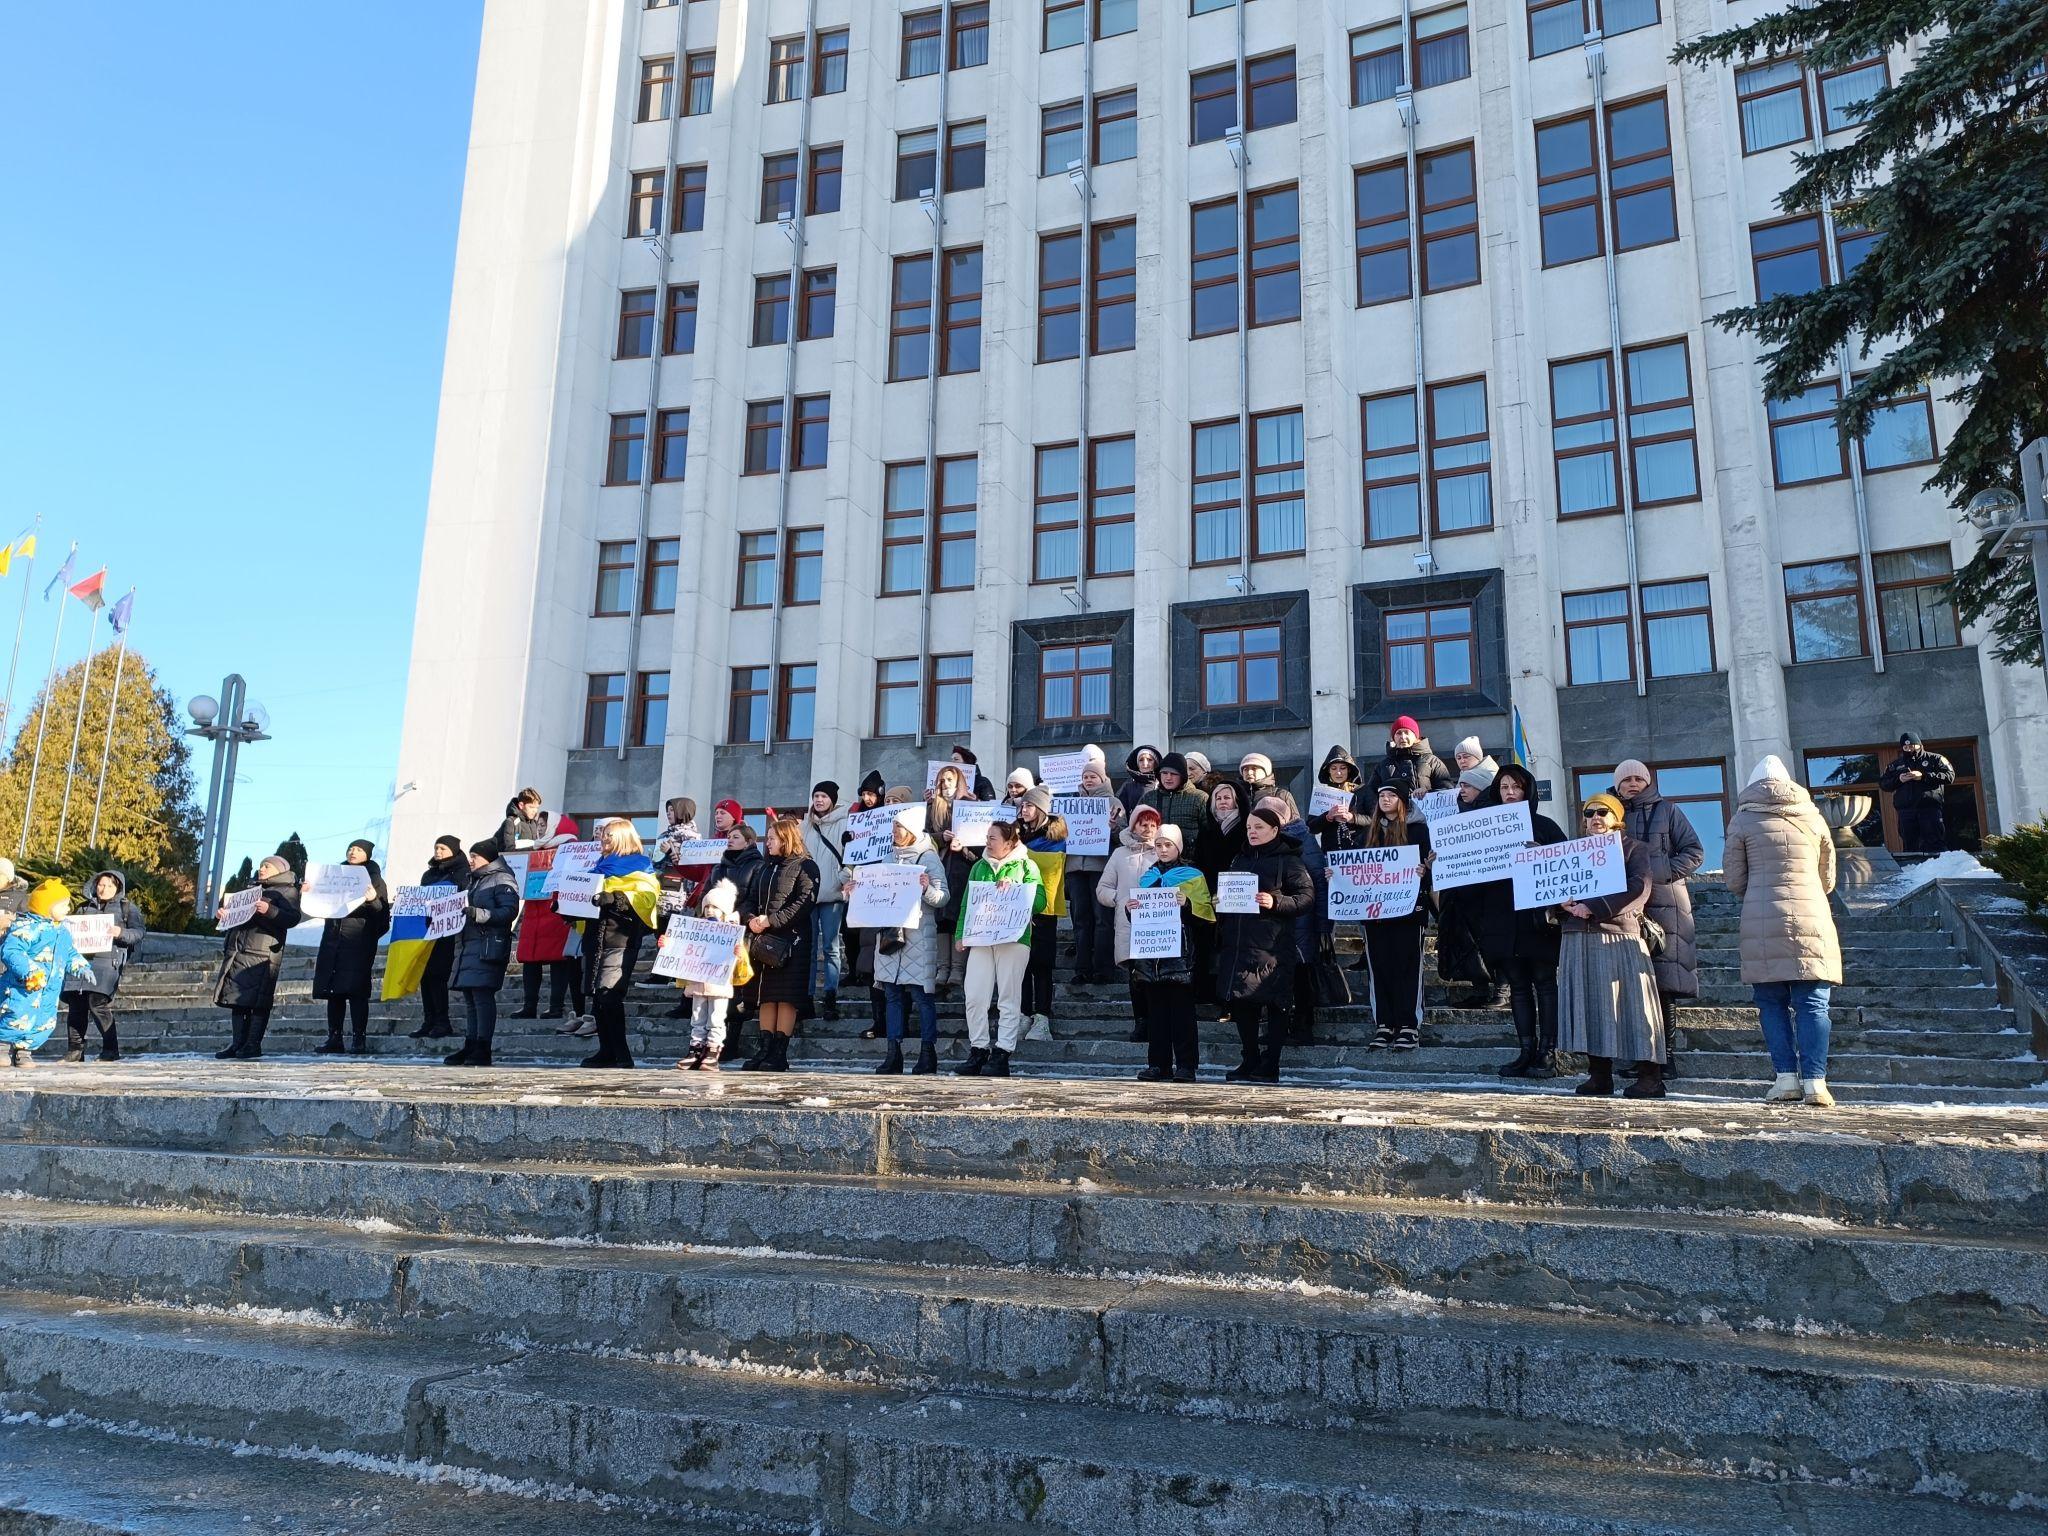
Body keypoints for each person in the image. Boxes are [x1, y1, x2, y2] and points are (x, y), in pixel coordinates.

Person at [1724, 756, 1842, 1107]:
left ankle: (1786, 1079)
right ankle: (1816, 1083)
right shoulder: (1814, 817)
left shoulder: (1743, 819)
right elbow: (1829, 879)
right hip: (1812, 915)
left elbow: (1734, 879)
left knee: (1771, 1002)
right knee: (1813, 1004)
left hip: (1762, 916)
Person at [1556, 793, 1666, 1097]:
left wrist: (1594, 906)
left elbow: (1639, 887)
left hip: (1618, 935)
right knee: (1588, 1004)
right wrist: (1560, 905)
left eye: (1603, 812)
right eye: (1589, 812)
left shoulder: (1633, 849)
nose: (1595, 818)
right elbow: (1553, 887)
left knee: (1632, 1004)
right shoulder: (1572, 852)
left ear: (1616, 817)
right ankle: (1599, 1074)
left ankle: (1650, 1076)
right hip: (1577, 936)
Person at [1471, 765, 1566, 1076]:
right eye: (1504, 787)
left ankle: (1548, 1052)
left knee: (1545, 985)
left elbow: (1568, 873)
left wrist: (1546, 856)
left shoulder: (1545, 826)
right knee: (1519, 988)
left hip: (1537, 922)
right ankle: (1525, 1050)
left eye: (1516, 787)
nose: (1510, 793)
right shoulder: (1484, 831)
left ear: (1528, 791)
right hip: (1501, 922)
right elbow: (1470, 875)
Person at [1614, 758, 1703, 1079]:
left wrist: (1658, 873)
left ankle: (1667, 1057)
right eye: (1627, 780)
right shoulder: (1609, 811)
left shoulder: (1668, 810)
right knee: (1631, 985)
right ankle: (1639, 1056)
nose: (1633, 783)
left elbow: (1694, 851)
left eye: (1639, 778)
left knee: (1664, 986)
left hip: (1665, 906)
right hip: (1624, 908)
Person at [1214, 806, 1315, 1082]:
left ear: (1274, 829)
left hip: (1273, 946)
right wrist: (1219, 902)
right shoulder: (1239, 859)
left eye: (1258, 827)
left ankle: (1271, 1064)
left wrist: (1276, 902)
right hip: (1239, 944)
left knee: (1274, 1004)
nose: (1252, 832)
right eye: (1249, 827)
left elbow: (1306, 898)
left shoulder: (1289, 861)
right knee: (1242, 1003)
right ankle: (1250, 1060)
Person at [953, 817, 1044, 1076]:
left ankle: (1002, 1052)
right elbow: (967, 903)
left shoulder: (1027, 865)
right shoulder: (979, 867)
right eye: (987, 838)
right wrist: (961, 933)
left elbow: (1039, 901)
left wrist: (1017, 888)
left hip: (1013, 939)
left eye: (993, 838)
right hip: (982, 936)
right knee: (975, 995)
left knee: (1008, 996)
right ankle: (979, 1049)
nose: (987, 842)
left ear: (1009, 842)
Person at [860, 816, 949, 1074]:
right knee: (892, 994)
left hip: (918, 937)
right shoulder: (888, 858)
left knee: (922, 996)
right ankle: (893, 1053)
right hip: (890, 935)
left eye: (899, 827)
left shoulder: (928, 857)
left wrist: (926, 890)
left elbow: (943, 897)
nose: (895, 832)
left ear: (911, 829)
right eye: (893, 827)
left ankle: (927, 1054)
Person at [1129, 824, 1213, 1082]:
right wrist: (1130, 909)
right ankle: (1158, 1064)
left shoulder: (1193, 875)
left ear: (1179, 847)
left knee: (1182, 1015)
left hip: (1180, 955)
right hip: (1150, 957)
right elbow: (1140, 918)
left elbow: (1207, 914)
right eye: (1159, 845)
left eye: (1168, 845)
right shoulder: (1148, 875)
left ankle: (1186, 1065)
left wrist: (1187, 904)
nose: (1163, 849)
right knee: (1156, 1015)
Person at [576, 819, 660, 1068]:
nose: (603, 839)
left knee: (609, 995)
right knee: (597, 998)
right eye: (603, 835)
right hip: (595, 937)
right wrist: (566, 908)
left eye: (609, 835)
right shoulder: (598, 867)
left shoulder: (640, 866)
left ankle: (622, 1055)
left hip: (621, 938)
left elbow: (646, 898)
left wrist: (615, 898)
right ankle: (606, 1051)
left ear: (623, 837)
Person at [1356, 786, 1434, 1051]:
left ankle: (1409, 1024)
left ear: (1403, 801)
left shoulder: (1419, 831)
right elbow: (1355, 869)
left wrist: (1425, 870)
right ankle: (1385, 1024)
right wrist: (1337, 875)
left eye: (1391, 796)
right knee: (1380, 968)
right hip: (1375, 914)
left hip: (1409, 911)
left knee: (1408, 967)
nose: (1385, 800)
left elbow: (1434, 871)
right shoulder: (1369, 833)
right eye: (1381, 796)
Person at [740, 816, 819, 1072]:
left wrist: (772, 921)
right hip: (763, 941)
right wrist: (751, 919)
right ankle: (764, 1049)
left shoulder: (806, 866)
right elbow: (750, 899)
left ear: (786, 839)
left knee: (785, 997)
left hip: (791, 940)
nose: (768, 843)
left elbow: (803, 904)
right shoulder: (765, 867)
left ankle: (779, 1052)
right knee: (766, 997)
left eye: (772, 838)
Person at [213, 856, 303, 1061]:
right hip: (238, 950)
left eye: (267, 866)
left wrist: (270, 910)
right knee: (236, 999)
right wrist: (223, 915)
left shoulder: (287, 890)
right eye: (261, 865)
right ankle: (237, 1043)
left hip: (263, 952)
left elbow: (292, 918)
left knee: (258, 1001)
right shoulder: (250, 889)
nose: (261, 869)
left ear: (279, 870)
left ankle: (253, 1044)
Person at [1258, 789, 1327, 1047]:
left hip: (1301, 920)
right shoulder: (1258, 842)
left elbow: (1318, 882)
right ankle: (1279, 1025)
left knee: (1300, 975)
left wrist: (1323, 926)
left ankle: (1302, 1025)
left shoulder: (1303, 840)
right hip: (1269, 923)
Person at [1, 881, 94, 1069]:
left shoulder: (63, 931)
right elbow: (11, 951)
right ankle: (3, 1047)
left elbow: (69, 953)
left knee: (44, 1021)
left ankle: (24, 1051)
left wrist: (82, 967)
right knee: (16, 1014)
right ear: (47, 907)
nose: (68, 908)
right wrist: (29, 970)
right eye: (63, 905)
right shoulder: (27, 927)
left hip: (50, 988)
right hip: (24, 986)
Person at [312, 839, 391, 1056]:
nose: (352, 852)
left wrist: (373, 900)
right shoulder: (333, 877)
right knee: (333, 991)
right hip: (333, 941)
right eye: (350, 848)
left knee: (356, 992)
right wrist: (310, 892)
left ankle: (359, 1038)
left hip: (358, 943)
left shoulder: (375, 880)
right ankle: (334, 1037)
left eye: (358, 849)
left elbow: (383, 916)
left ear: (367, 854)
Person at [444, 839, 519, 1066]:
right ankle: (471, 1044)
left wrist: (479, 914)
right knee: (470, 998)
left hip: (488, 946)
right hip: (470, 945)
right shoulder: (474, 881)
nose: (471, 859)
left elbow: (509, 911)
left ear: (488, 857)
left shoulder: (502, 879)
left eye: (475, 855)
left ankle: (483, 1048)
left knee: (482, 997)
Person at [59, 870, 145, 1063]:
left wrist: (120, 932)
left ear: (118, 888)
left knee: (97, 1003)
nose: (104, 889)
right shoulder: (82, 908)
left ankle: (110, 1049)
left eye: (109, 886)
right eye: (101, 884)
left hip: (107, 963)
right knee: (76, 1006)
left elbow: (139, 932)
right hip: (80, 963)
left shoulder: (127, 908)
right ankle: (75, 1050)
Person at [1436, 765, 1503, 1010]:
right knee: (1470, 941)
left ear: (1482, 787)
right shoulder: (1458, 812)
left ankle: (1501, 989)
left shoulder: (1495, 812)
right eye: (1460, 785)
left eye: (1466, 785)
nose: (1460, 790)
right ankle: (1480, 988)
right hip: (1464, 891)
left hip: (1491, 892)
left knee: (1492, 940)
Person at [511, 815, 588, 1030]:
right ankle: (529, 1005)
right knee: (529, 958)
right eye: (539, 825)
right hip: (534, 909)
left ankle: (556, 1006)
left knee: (558, 959)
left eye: (545, 825)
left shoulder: (571, 848)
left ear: (556, 826)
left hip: (555, 909)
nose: (540, 828)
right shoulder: (536, 849)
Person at [1098, 804, 1164, 1042]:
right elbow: (1102, 889)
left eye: (1153, 825)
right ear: (1134, 825)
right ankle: (1141, 1022)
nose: (1148, 829)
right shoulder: (1119, 854)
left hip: (1157, 925)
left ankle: (1157, 1021)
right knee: (1136, 977)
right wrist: (1120, 900)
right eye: (1143, 824)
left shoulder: (1163, 851)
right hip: (1128, 925)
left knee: (1156, 976)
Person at [1064, 753, 1124, 985]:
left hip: (1101, 867)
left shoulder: (1113, 803)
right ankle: (1082, 968)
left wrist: (1112, 827)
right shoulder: (1071, 804)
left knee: (1102, 919)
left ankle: (1102, 967)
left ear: (1103, 779)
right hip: (1075, 868)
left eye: (1093, 776)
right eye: (1085, 776)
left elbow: (1123, 835)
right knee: (1080, 919)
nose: (1088, 780)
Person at [712, 818, 769, 1054]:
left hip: (740, 930)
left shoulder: (757, 865)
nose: (730, 840)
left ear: (749, 842)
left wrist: (739, 914)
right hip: (715, 929)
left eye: (736, 837)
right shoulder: (719, 866)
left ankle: (731, 1042)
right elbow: (708, 892)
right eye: (729, 837)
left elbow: (755, 896)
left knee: (736, 988)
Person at [1016, 786, 1067, 1042]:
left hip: (1043, 908)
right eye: (1022, 805)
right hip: (1015, 907)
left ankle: (1042, 1017)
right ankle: (1024, 1013)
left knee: (1041, 964)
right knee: (1021, 963)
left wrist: (1015, 852)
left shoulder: (1054, 836)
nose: (1024, 810)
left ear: (1041, 809)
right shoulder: (1018, 834)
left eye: (1029, 806)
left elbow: (1048, 865)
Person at [676, 876, 742, 1071]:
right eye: (707, 907)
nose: (710, 911)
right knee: (697, 1016)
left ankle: (713, 1050)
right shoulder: (697, 929)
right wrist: (668, 944)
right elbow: (683, 949)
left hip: (719, 984)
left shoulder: (730, 931)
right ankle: (696, 1048)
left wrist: (738, 954)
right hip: (698, 981)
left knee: (716, 1018)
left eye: (715, 908)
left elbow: (739, 960)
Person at [409, 834, 470, 1041]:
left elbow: (463, 897)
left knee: (437, 976)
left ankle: (442, 1021)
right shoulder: (429, 874)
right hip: (427, 930)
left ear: (453, 850)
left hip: (448, 932)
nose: (438, 852)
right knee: (425, 976)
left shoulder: (463, 872)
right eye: (436, 848)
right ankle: (429, 1020)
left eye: (443, 848)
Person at [927, 764, 976, 995]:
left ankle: (958, 968)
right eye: (942, 780)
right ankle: (942, 967)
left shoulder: (971, 805)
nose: (945, 784)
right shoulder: (931, 807)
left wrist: (962, 846)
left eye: (949, 779)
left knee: (957, 918)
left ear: (958, 782)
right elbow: (921, 836)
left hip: (961, 870)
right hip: (938, 868)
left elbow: (981, 845)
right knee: (940, 919)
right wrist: (940, 837)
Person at [802, 781, 849, 1020]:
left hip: (833, 893)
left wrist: (842, 878)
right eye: (816, 796)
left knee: (831, 947)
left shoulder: (845, 822)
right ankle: (807, 997)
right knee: (808, 949)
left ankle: (830, 995)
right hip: (809, 895)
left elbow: (852, 856)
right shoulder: (805, 826)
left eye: (823, 796)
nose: (819, 800)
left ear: (832, 799)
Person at [1881, 732, 1954, 855]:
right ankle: (1913, 871)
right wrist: (1899, 780)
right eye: (1905, 747)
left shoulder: (1935, 759)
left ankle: (1940, 869)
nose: (1909, 749)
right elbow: (1883, 784)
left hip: (1929, 808)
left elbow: (1949, 776)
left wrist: (1924, 776)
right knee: (1910, 845)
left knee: (1935, 842)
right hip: (1906, 811)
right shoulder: (1895, 765)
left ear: (1919, 745)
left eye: (1912, 746)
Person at [1366, 717, 1455, 798]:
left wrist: (1427, 792)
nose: (1403, 737)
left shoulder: (1432, 761)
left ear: (1416, 737)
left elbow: (1447, 790)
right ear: (1393, 738)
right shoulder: (1382, 766)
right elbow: (1370, 795)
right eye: (1398, 733)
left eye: (1407, 733)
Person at [1119, 746, 1160, 815]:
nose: (1145, 763)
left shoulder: (1162, 785)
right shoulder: (1128, 786)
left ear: (1155, 763)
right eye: (1141, 760)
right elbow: (1121, 813)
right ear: (1137, 764)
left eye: (1149, 760)